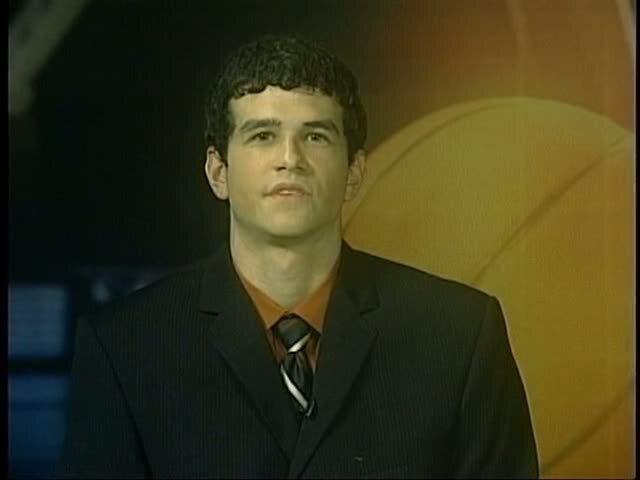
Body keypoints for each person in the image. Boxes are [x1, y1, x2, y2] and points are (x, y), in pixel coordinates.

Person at [59, 35, 539, 478]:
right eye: (262, 135)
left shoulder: (458, 336)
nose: (290, 158)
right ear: (218, 171)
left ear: (354, 172)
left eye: (315, 136)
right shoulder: (125, 348)